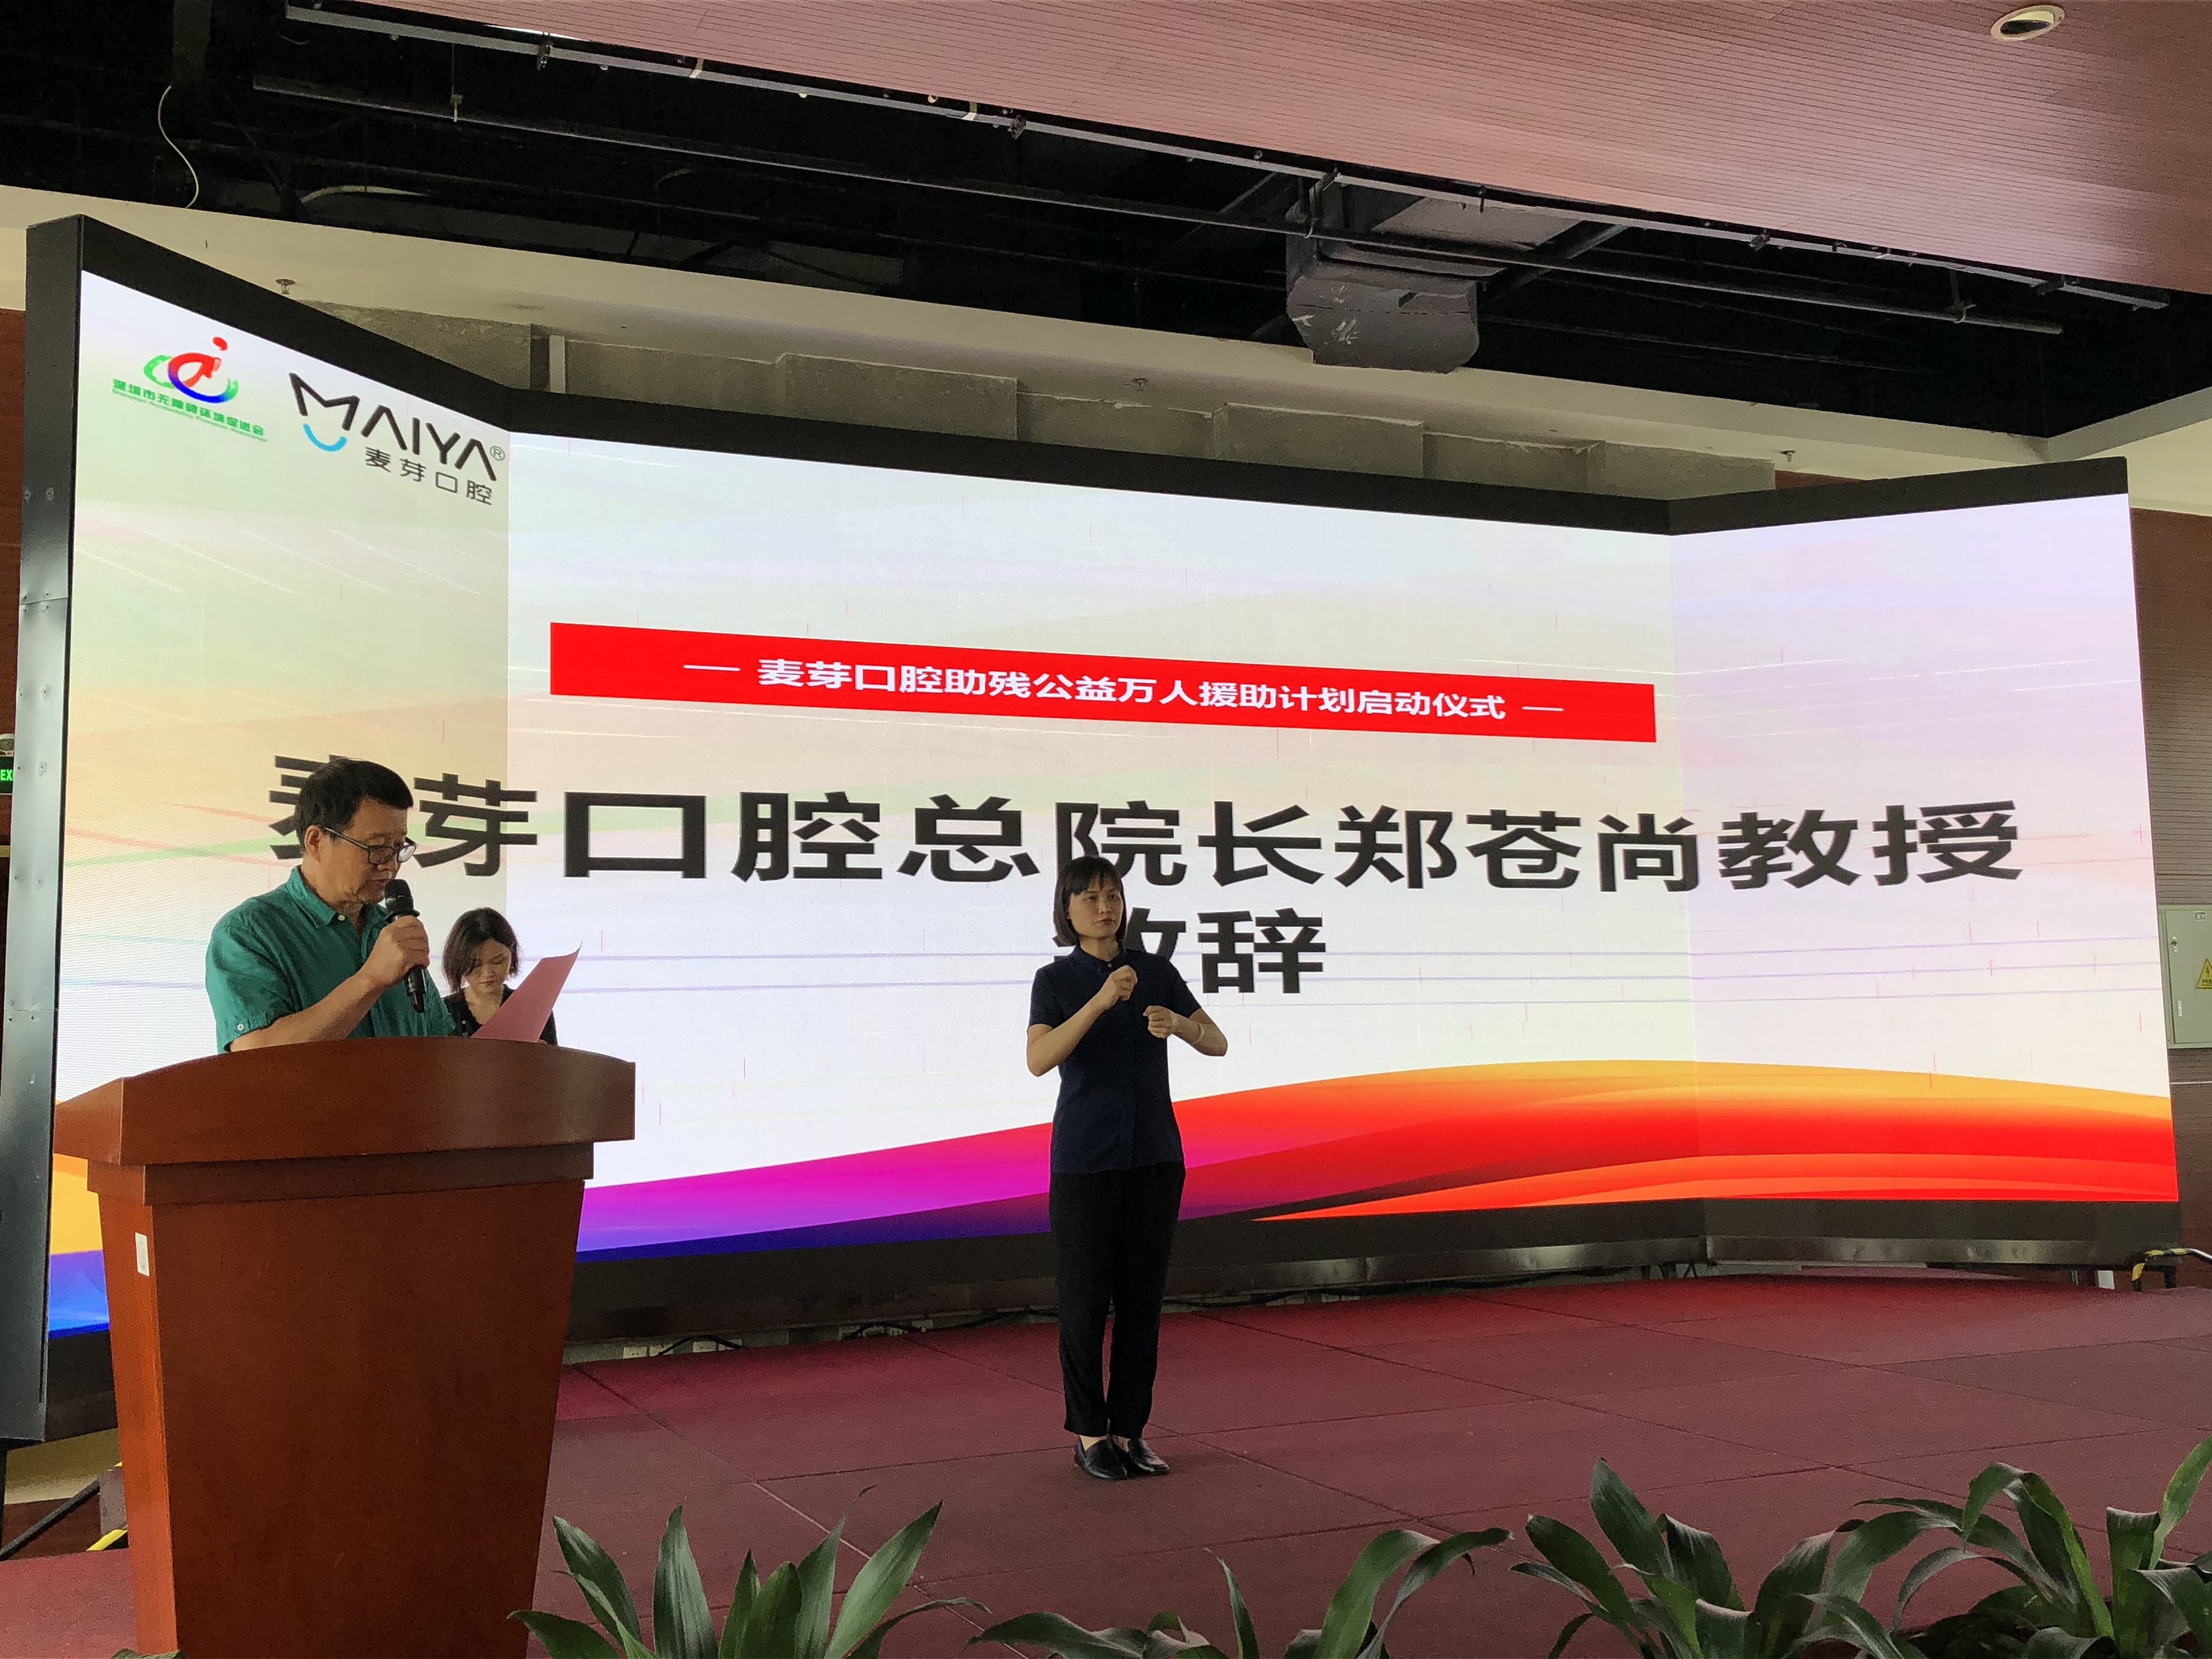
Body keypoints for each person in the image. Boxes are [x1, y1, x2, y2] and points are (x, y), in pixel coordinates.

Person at [1026, 854, 1227, 1481]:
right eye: (1088, 897)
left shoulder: (1157, 971)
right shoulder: (1055, 979)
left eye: (1111, 895)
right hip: (1085, 1161)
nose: (1103, 907)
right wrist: (1097, 1003)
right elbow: (1039, 1059)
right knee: (1086, 1301)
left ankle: (1129, 1430)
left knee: (1142, 1303)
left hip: (1155, 1157)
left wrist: (1182, 1026)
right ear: (1066, 910)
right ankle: (1090, 1433)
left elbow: (1218, 1041)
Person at [206, 757, 455, 1050]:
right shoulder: (248, 932)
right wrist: (370, 979)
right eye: (376, 848)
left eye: (399, 847)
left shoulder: (391, 929)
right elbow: (255, 1054)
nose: (390, 865)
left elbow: (440, 1044)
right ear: (316, 841)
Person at [441, 908, 558, 1043]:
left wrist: (543, 1054)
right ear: (457, 962)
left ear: (512, 955)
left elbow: (553, 1057)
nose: (487, 973)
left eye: (498, 961)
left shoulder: (535, 1011)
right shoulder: (443, 1013)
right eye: (476, 965)